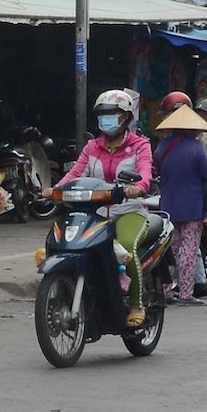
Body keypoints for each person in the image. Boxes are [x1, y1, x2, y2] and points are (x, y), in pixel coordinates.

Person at [57, 90, 153, 327]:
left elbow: (145, 173)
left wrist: (138, 187)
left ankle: (136, 304)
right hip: (96, 212)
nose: (106, 119)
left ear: (126, 117)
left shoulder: (140, 146)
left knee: (126, 247)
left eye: (112, 114)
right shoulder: (92, 147)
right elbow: (76, 173)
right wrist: (56, 189)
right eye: (102, 114)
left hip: (129, 211)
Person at [154, 105, 207, 307]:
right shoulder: (196, 147)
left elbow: (159, 169)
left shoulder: (161, 147)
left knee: (169, 251)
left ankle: (165, 292)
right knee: (189, 251)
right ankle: (185, 294)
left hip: (168, 206)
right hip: (192, 207)